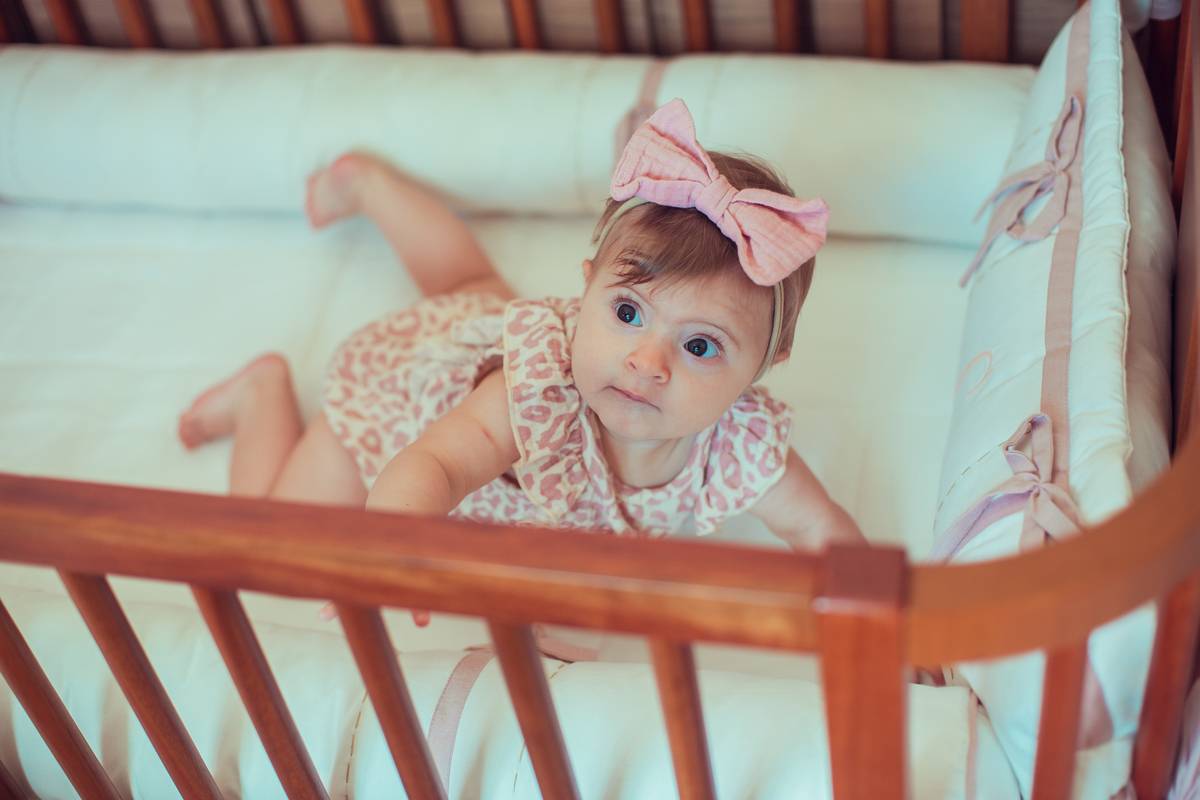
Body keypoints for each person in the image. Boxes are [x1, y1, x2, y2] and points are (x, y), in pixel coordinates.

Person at [179, 99, 863, 567]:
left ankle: (365, 186)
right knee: (266, 547)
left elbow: (818, 527)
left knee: (468, 284)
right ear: (586, 290)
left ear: (766, 363)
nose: (646, 361)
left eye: (700, 346)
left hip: (480, 326)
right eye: (628, 313)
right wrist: (401, 542)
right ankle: (261, 394)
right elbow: (439, 465)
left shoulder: (740, 442)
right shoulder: (536, 390)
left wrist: (889, 635)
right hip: (399, 413)